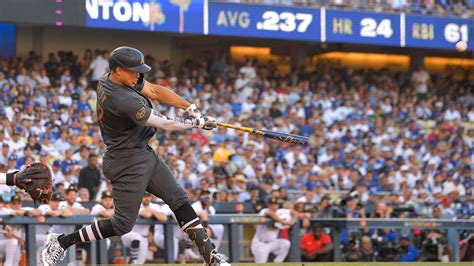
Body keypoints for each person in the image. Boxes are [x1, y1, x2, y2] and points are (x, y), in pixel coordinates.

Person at [41, 46, 228, 265]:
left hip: (142, 152)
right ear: (119, 70)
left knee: (178, 199)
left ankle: (211, 257)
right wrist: (195, 124)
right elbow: (162, 122)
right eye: (134, 71)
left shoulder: (115, 78)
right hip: (125, 160)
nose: (138, 75)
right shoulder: (119, 98)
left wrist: (191, 107)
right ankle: (61, 242)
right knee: (122, 225)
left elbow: (156, 91)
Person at [251, 198, 293, 263]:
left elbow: (294, 212)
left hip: (272, 243)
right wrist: (283, 221)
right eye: (271, 205)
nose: (274, 207)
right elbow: (269, 213)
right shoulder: (264, 210)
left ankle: (277, 262)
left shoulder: (280, 212)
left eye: (275, 204)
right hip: (261, 244)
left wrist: (292, 221)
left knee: (286, 243)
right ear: (268, 205)